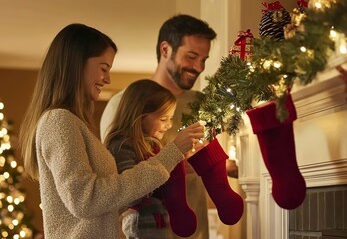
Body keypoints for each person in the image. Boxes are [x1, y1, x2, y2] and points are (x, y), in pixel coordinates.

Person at [18, 23, 204, 239]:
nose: (107, 79)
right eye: (103, 68)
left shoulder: (71, 123)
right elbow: (86, 200)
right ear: (77, 64)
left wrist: (172, 166)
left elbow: (106, 202)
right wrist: (170, 154)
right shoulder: (59, 121)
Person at [100, 14, 217, 239]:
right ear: (165, 50)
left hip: (196, 232)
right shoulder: (123, 105)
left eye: (204, 59)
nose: (199, 67)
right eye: (191, 56)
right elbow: (117, 182)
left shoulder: (203, 104)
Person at [105, 79, 187, 238]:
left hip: (158, 224)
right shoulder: (122, 146)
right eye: (163, 119)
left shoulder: (152, 146)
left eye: (170, 119)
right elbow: (131, 193)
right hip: (141, 227)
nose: (169, 125)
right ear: (140, 115)